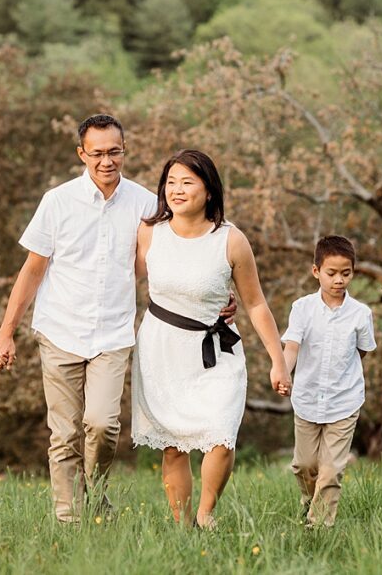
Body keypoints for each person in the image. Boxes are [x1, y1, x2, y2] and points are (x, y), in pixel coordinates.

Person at [0, 115, 233, 523]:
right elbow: (32, 270)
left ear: (125, 150)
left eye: (114, 152)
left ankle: (96, 496)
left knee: (102, 426)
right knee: (64, 433)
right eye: (97, 153)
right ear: (81, 154)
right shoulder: (57, 201)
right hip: (59, 330)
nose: (106, 161)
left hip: (114, 333)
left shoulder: (146, 204)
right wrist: (5, 333)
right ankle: (68, 519)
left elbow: (175, 257)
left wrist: (216, 297)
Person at [131, 149, 289, 529]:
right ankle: (183, 528)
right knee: (173, 446)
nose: (177, 190)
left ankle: (206, 513)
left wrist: (278, 360)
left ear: (209, 190)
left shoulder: (231, 240)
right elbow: (122, 286)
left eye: (187, 182)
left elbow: (255, 305)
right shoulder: (150, 232)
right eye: (170, 182)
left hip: (218, 350)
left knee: (221, 434)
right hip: (161, 350)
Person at [282, 235, 376, 528]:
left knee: (331, 470)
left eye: (345, 273)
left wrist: (344, 375)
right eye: (331, 273)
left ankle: (318, 528)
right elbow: (293, 346)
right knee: (305, 465)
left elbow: (362, 351)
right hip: (307, 399)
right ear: (316, 271)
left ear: (353, 272)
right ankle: (309, 500)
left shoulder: (361, 314)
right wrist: (284, 372)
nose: (339, 280)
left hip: (344, 401)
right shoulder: (302, 308)